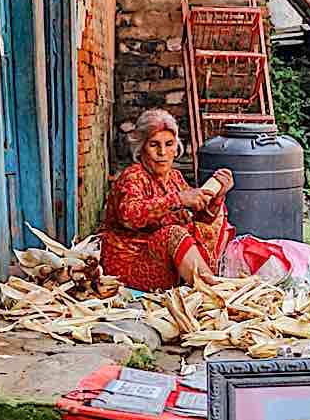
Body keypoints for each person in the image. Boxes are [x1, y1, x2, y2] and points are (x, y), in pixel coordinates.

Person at [99, 109, 234, 290]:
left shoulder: (175, 177)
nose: (162, 152)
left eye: (169, 144)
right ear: (141, 148)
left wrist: (216, 195)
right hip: (130, 266)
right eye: (154, 145)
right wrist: (178, 199)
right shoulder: (133, 176)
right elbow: (129, 216)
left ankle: (209, 283)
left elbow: (203, 219)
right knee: (173, 234)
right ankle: (214, 292)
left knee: (212, 222)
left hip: (164, 263)